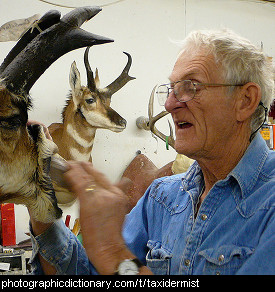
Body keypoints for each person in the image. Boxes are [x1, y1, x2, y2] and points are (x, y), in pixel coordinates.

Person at [29, 29, 275, 275]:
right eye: (170, 88)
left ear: (245, 101)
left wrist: (113, 252)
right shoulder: (161, 199)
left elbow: (114, 263)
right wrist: (40, 203)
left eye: (190, 87)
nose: (170, 104)